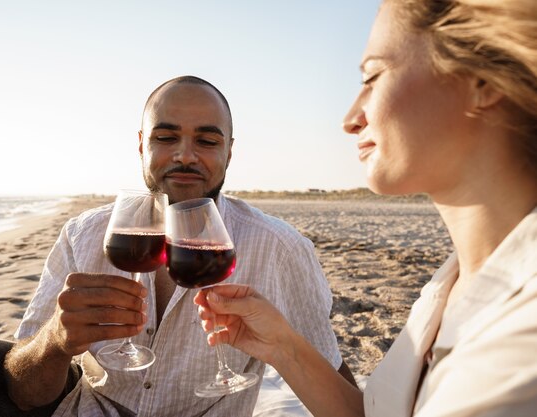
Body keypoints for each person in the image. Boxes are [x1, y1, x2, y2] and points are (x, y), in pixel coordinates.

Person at [0, 75, 354, 417]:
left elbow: (335, 384)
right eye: (165, 137)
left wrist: (284, 348)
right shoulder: (87, 234)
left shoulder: (279, 247)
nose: (185, 154)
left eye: (206, 139)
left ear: (229, 153)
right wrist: (56, 342)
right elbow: (25, 392)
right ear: (142, 145)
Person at [195, 1, 537, 416]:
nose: (351, 118)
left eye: (372, 76)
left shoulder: (523, 336)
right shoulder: (452, 283)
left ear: (482, 78)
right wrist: (282, 345)